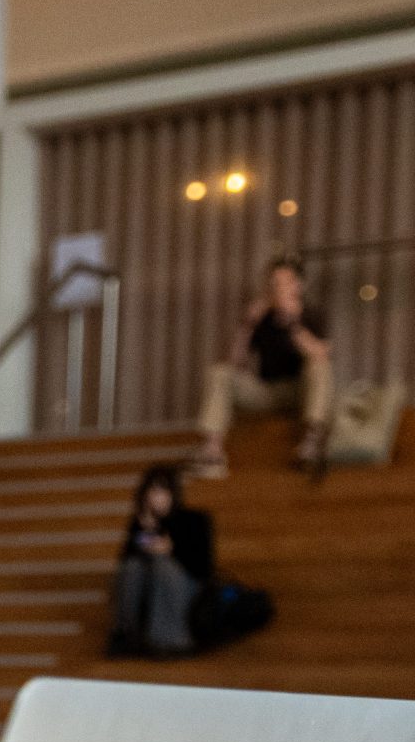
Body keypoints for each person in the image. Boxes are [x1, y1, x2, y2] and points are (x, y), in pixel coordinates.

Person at [107, 464, 270, 658]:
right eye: (153, 491)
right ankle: (126, 633)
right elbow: (127, 559)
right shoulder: (142, 523)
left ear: (173, 493)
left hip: (192, 585)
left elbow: (202, 566)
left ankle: (172, 638)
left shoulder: (193, 520)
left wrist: (171, 550)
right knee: (133, 567)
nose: (157, 497)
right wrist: (147, 528)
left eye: (162, 491)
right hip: (153, 587)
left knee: (162, 564)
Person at [194, 255, 331, 477]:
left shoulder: (311, 314)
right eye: (274, 283)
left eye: (284, 282)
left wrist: (292, 322)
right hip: (267, 391)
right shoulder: (262, 319)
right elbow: (234, 362)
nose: (278, 289)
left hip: (299, 391)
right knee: (220, 373)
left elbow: (321, 354)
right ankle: (212, 450)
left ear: (298, 285)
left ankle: (312, 440)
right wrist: (248, 324)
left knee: (320, 367)